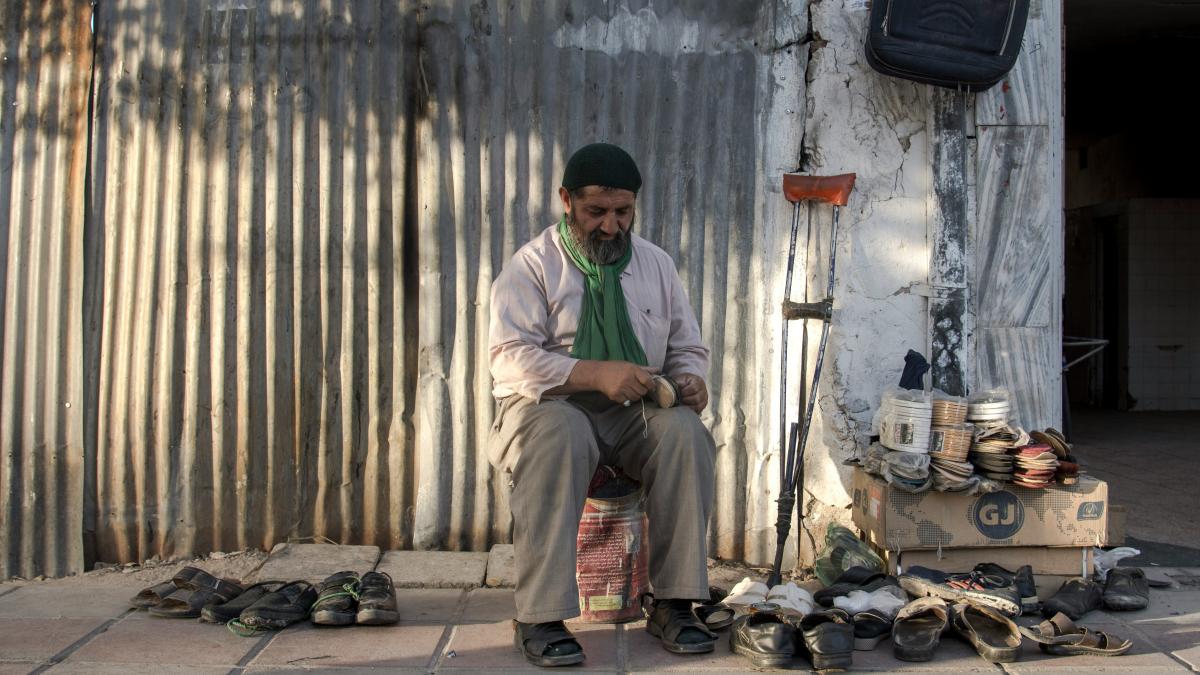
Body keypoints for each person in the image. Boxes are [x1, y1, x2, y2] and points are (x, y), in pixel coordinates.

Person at [487, 142, 718, 666]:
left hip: (632, 413)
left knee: (684, 433)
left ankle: (676, 602)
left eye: (622, 212)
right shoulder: (531, 266)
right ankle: (540, 615)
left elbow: (687, 347)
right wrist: (592, 373)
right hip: (544, 408)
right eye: (596, 212)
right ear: (566, 200)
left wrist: (690, 380)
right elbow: (507, 359)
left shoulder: (656, 264)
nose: (610, 226)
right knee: (560, 433)